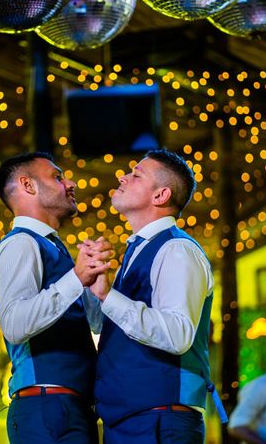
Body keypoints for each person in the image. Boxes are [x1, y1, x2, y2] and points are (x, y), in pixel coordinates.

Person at [90, 149, 224, 444]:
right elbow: (107, 326)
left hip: (159, 421)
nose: (123, 177)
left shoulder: (177, 250)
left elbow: (177, 334)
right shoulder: (136, 251)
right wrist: (89, 284)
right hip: (131, 419)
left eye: (136, 174)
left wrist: (108, 295)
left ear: (161, 195)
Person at [0, 151, 112, 444]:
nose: (70, 184)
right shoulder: (20, 245)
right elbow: (15, 325)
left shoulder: (55, 249)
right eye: (57, 176)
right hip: (47, 406)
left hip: (70, 406)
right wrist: (76, 279)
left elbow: (96, 325)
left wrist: (98, 288)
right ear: (28, 186)